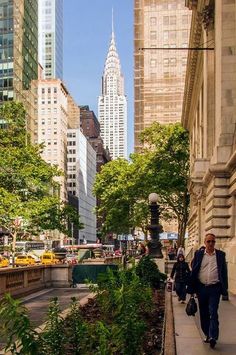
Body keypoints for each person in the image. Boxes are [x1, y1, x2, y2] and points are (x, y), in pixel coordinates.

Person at [187, 233, 228, 349]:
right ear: (205, 243)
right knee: (204, 313)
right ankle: (207, 333)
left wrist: (225, 289)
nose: (211, 244)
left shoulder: (220, 255)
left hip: (215, 288)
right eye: (208, 241)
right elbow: (194, 271)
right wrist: (192, 288)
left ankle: (213, 337)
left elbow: (224, 273)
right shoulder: (198, 254)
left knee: (213, 312)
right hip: (202, 288)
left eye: (213, 241)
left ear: (215, 243)